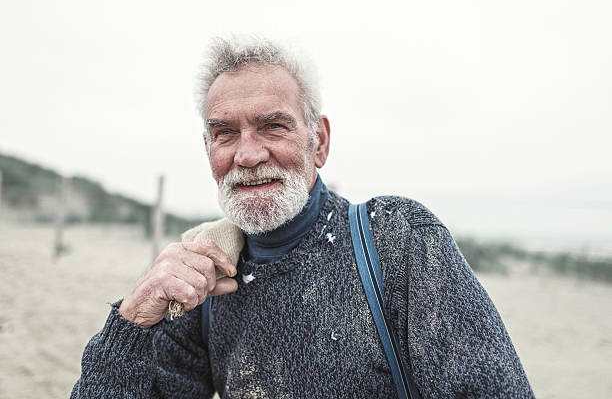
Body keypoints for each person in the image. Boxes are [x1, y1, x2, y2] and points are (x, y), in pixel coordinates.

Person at [71, 36, 534, 398]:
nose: (247, 155)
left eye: (273, 126)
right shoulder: (203, 274)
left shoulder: (397, 240)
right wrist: (131, 322)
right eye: (225, 133)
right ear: (208, 150)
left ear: (321, 142)